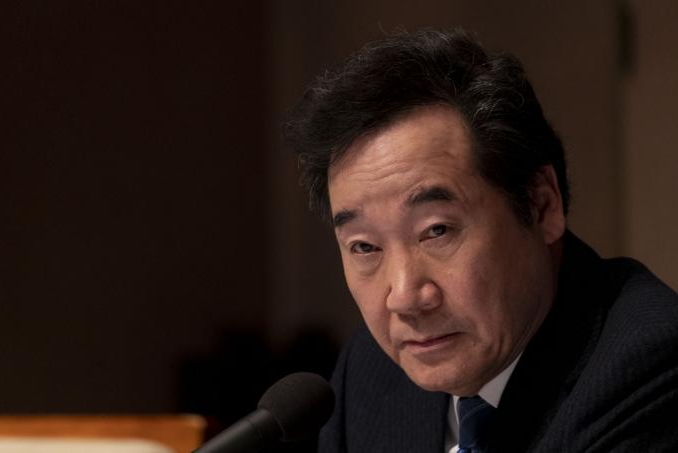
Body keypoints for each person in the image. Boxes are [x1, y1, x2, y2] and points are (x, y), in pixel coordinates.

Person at [283, 28, 678, 452]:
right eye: (364, 246)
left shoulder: (650, 368)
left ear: (542, 205)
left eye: (437, 230)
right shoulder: (370, 373)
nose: (405, 297)